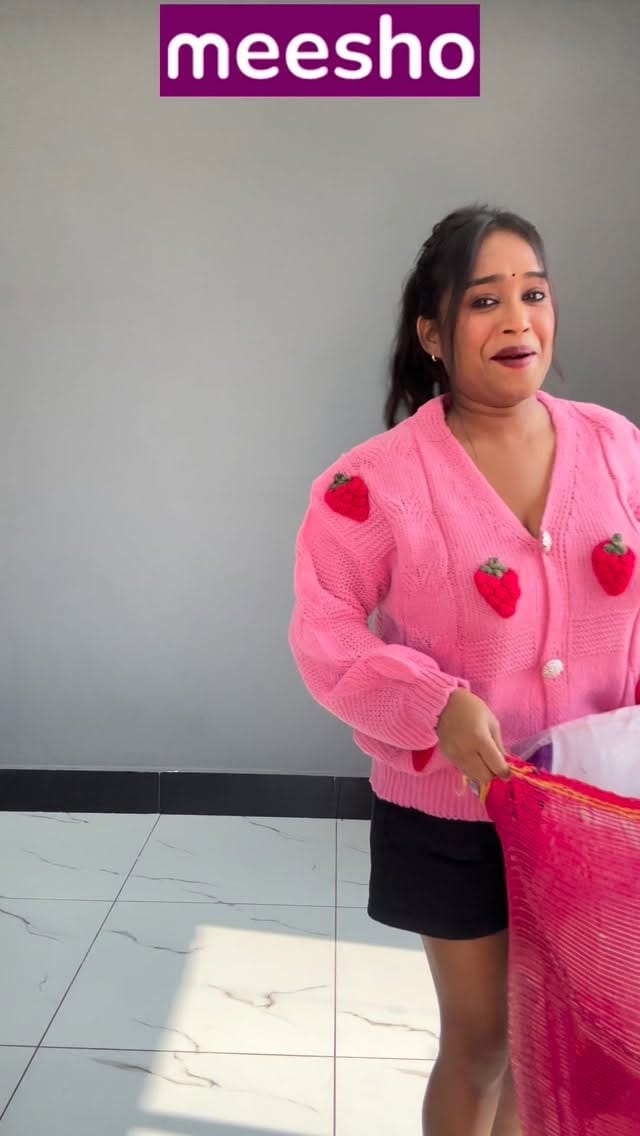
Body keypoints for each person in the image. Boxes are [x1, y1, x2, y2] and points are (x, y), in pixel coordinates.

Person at [288, 204, 640, 1136]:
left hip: (591, 811)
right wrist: (431, 703)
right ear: (434, 334)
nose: (518, 320)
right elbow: (324, 629)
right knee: (484, 1043)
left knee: (553, 1040)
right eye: (486, 301)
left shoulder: (618, 447)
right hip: (457, 817)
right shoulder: (373, 483)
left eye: (534, 294)